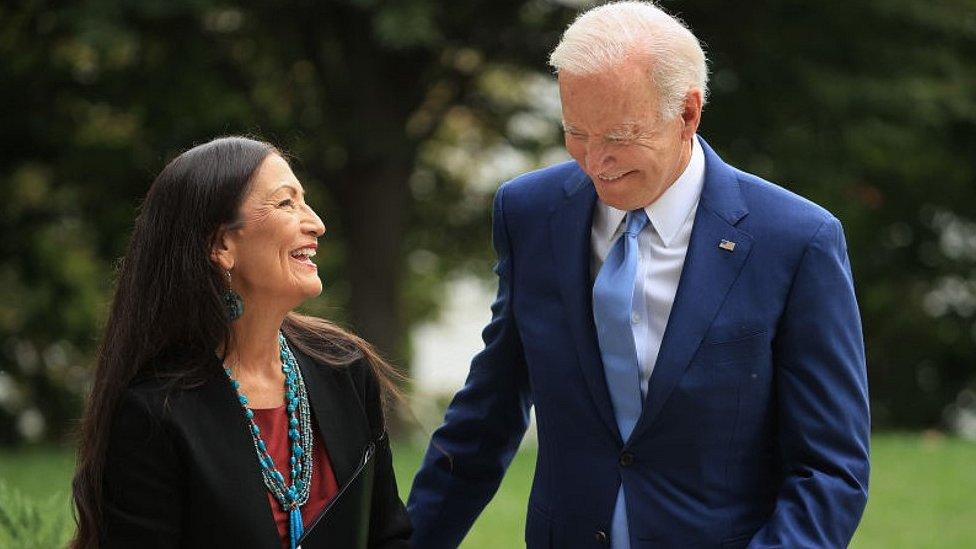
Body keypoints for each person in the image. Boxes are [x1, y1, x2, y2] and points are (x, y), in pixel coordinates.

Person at [407, 2, 870, 548]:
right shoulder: (529, 214)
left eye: (619, 137)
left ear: (688, 114)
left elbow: (830, 469)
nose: (595, 161)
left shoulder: (796, 240)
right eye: (577, 132)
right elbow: (487, 416)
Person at [70, 136, 412, 548]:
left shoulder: (344, 368)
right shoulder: (154, 412)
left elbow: (389, 536)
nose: (316, 223)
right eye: (287, 203)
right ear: (221, 245)